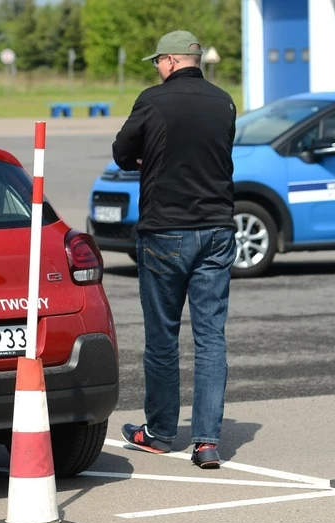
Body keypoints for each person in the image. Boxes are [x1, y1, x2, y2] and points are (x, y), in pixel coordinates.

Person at [111, 30, 237, 470]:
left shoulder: (153, 100)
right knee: (210, 338)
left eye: (157, 62)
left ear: (169, 61)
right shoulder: (224, 101)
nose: (157, 69)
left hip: (166, 229)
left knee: (163, 336)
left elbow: (122, 151)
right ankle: (206, 442)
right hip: (217, 229)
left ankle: (161, 433)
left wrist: (145, 158)